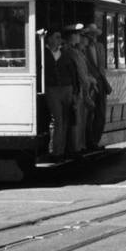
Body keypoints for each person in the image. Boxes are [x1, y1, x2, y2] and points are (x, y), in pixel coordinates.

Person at [43, 29, 80, 160]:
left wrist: (75, 90)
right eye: (57, 37)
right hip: (52, 89)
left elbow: (73, 73)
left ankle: (61, 150)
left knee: (65, 120)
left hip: (67, 89)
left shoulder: (65, 54)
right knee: (57, 119)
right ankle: (55, 151)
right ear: (49, 39)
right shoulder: (43, 53)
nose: (60, 40)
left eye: (60, 37)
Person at [82, 23, 112, 152]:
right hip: (89, 84)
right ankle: (89, 141)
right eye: (90, 34)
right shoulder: (83, 48)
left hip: (100, 82)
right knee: (89, 115)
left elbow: (102, 66)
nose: (93, 36)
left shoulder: (100, 47)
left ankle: (96, 140)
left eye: (94, 34)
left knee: (100, 113)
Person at [64, 27, 93, 157]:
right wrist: (86, 85)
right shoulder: (71, 52)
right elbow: (81, 73)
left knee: (80, 119)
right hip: (77, 89)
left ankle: (79, 146)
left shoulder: (77, 52)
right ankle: (76, 147)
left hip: (80, 88)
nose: (81, 37)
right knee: (77, 119)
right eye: (77, 34)